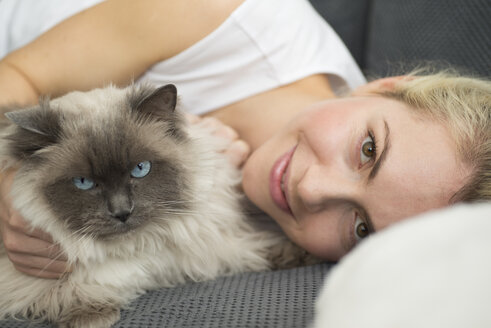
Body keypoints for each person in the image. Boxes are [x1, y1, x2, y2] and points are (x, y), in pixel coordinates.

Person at [0, 0, 489, 279]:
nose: (313, 191)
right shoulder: (220, 13)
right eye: (368, 151)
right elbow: (16, 76)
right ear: (387, 86)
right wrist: (12, 178)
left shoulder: (294, 232)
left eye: (361, 227)